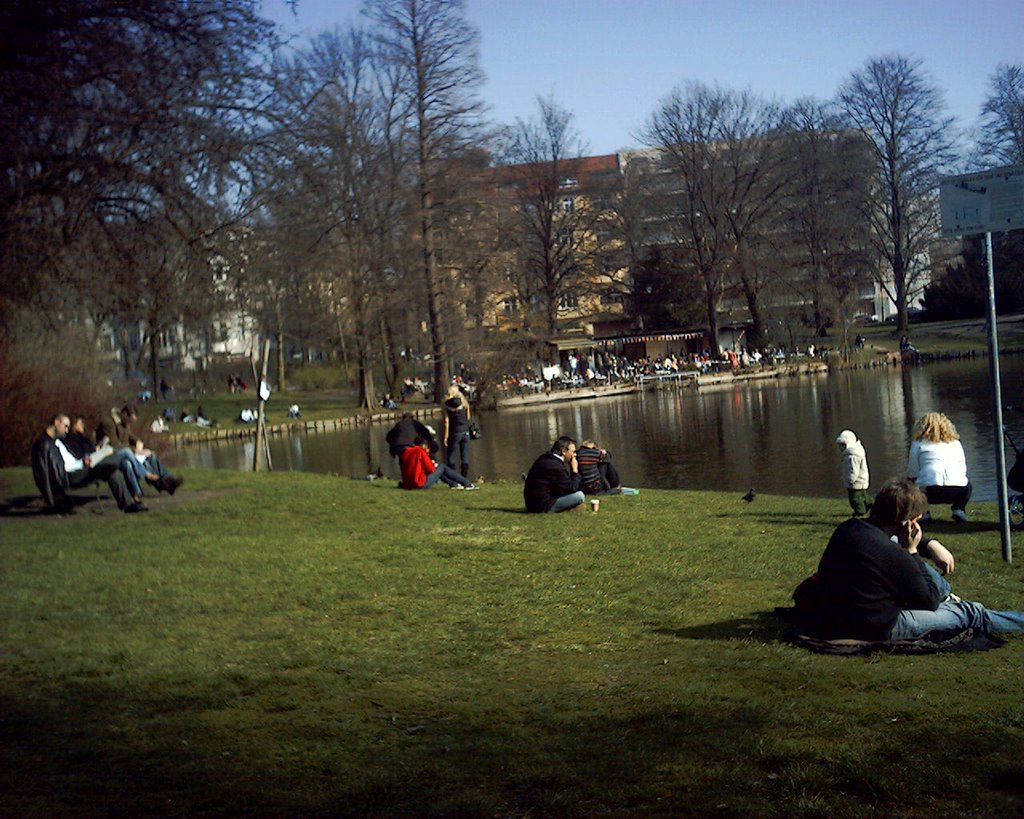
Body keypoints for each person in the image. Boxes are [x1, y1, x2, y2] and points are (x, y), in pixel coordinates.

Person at [811, 479, 1024, 640]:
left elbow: (892, 538)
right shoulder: (893, 554)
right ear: (909, 523)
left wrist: (930, 544)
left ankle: (948, 598)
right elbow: (928, 602)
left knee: (942, 596)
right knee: (972, 612)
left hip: (835, 616)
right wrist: (912, 551)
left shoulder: (849, 528)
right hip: (877, 626)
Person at [32, 413, 141, 513]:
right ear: (56, 423)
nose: (66, 430)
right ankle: (132, 476)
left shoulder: (57, 440)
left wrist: (83, 461)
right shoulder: (43, 445)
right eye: (65, 426)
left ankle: (128, 504)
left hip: (79, 467)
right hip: (70, 476)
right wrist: (52, 502)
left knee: (111, 468)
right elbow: (42, 475)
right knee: (117, 460)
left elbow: (70, 459)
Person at [97, 405, 183, 498]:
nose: (130, 423)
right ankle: (160, 483)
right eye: (130, 420)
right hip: (113, 455)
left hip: (127, 453)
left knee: (151, 455)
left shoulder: (124, 422)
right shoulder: (108, 423)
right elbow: (115, 445)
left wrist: (137, 442)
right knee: (136, 463)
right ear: (125, 414)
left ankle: (168, 480)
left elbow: (129, 435)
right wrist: (135, 451)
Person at [907, 411, 972, 522]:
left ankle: (924, 512)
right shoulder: (956, 444)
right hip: (958, 490)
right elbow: (963, 469)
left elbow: (913, 471)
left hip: (929, 492)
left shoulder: (918, 444)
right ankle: (959, 509)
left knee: (909, 484)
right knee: (968, 485)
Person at [524, 436, 585, 513]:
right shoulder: (555, 466)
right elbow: (571, 488)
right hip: (542, 505)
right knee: (580, 496)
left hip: (532, 502)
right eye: (573, 452)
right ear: (564, 451)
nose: (575, 455)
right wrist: (575, 470)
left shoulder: (545, 458)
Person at [399, 436, 477, 490]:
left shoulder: (406, 451)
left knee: (439, 470)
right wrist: (432, 464)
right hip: (418, 483)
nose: (428, 450)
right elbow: (430, 469)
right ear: (424, 445)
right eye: (427, 447)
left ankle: (453, 484)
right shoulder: (420, 451)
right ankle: (466, 483)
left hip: (407, 484)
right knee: (442, 467)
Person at [836, 429, 871, 517]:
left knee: (855, 498)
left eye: (843, 445)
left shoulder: (852, 456)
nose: (841, 448)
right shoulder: (856, 452)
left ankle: (860, 512)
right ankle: (869, 504)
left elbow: (853, 470)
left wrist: (850, 480)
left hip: (856, 483)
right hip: (861, 481)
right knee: (863, 495)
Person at [442, 384, 473, 479]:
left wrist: (446, 436)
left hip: (454, 431)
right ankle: (464, 477)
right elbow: (468, 417)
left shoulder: (446, 405)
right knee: (465, 456)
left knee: (451, 455)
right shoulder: (464, 402)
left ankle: (453, 477)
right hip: (465, 431)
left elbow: (446, 422)